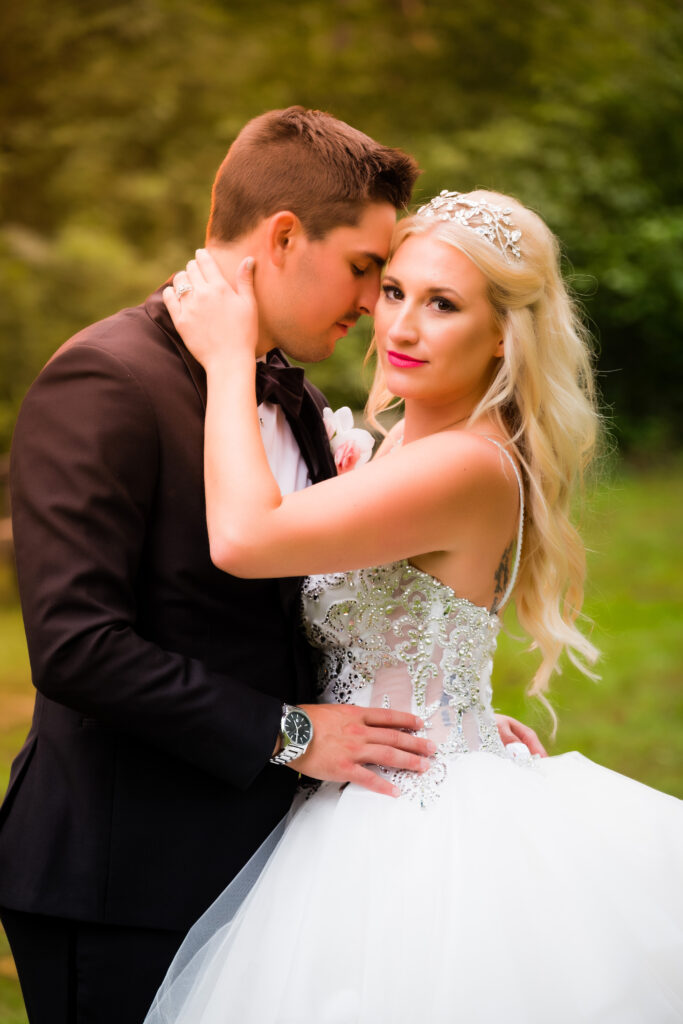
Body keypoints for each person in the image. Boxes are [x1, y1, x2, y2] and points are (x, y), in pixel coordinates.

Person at [0, 110, 539, 1024]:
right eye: (368, 270)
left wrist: (446, 720)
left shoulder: (283, 387)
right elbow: (77, 648)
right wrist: (291, 735)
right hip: (127, 876)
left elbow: (308, 605)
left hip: (276, 862)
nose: (376, 305)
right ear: (285, 237)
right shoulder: (106, 381)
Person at [145, 189, 683, 1023]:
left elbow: (246, 539)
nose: (399, 327)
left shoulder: (463, 464)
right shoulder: (405, 441)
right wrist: (462, 703)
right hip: (366, 782)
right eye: (393, 292)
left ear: (504, 332)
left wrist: (226, 358)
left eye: (441, 305)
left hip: (408, 827)